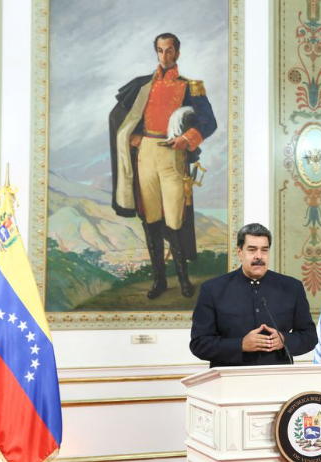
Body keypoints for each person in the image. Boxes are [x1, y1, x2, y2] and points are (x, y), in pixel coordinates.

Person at [109, 32, 217, 300]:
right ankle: (159, 281)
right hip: (145, 155)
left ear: (177, 53)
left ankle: (183, 280)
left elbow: (209, 122)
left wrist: (186, 139)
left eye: (169, 51)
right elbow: (119, 116)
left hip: (172, 156)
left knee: (175, 221)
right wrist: (131, 136)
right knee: (151, 220)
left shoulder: (190, 87)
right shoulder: (142, 85)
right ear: (156, 52)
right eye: (160, 50)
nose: (165, 56)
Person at [190, 223, 318, 367]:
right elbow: (199, 344)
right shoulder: (212, 289)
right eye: (252, 250)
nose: (259, 256)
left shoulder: (292, 287)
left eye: (264, 250)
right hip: (231, 378)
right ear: (239, 252)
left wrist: (284, 340)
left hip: (278, 377)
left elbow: (309, 336)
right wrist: (240, 345)